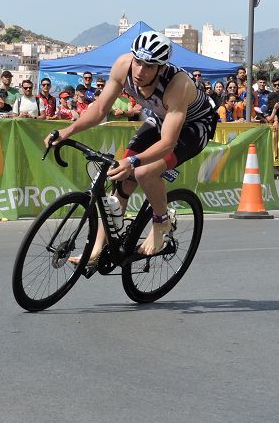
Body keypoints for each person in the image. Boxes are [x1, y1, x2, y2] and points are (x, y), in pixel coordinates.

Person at [48, 31, 217, 261]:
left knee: (144, 171)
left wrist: (134, 161)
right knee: (121, 177)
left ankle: (161, 223)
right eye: (138, 62)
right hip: (159, 118)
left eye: (149, 66)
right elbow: (99, 110)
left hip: (194, 126)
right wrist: (66, 132)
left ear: (161, 68)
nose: (139, 71)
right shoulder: (122, 66)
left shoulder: (178, 84)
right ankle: (96, 250)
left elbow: (168, 143)